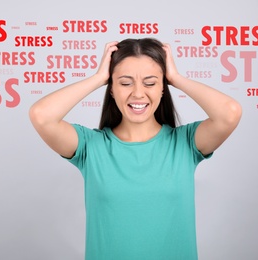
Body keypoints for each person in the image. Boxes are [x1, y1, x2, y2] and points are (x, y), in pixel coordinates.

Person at [29, 38, 242, 260]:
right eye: (125, 83)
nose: (138, 93)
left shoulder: (185, 143)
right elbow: (42, 116)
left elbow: (229, 113)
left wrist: (176, 79)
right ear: (111, 89)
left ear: (162, 88)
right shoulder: (90, 146)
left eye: (150, 83)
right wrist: (98, 78)